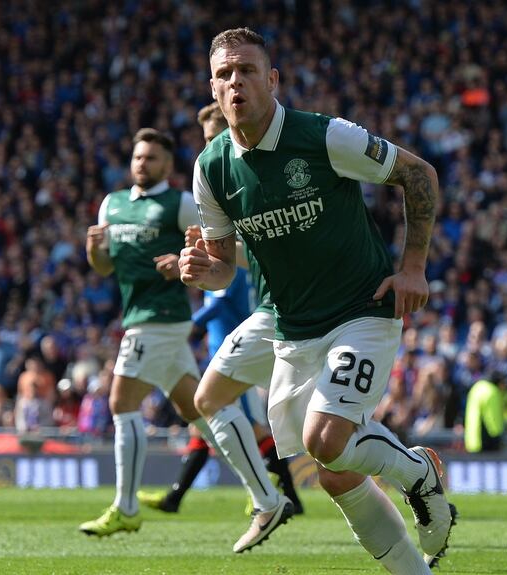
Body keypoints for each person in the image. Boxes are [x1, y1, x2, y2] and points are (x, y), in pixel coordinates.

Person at [179, 28, 454, 572]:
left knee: (326, 439)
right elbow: (221, 269)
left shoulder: (325, 137)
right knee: (335, 472)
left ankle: (420, 473)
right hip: (291, 329)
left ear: (272, 79)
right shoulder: (211, 169)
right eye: (225, 75)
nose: (237, 83)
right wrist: (202, 271)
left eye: (248, 71)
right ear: (213, 89)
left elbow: (418, 174)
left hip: (363, 310)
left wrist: (414, 268)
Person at [79, 127, 289, 549]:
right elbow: (103, 268)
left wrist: (183, 263)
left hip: (162, 317)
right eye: (138, 157)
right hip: (139, 315)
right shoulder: (112, 204)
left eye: (152, 158)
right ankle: (261, 481)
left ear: (166, 166)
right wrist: (94, 250)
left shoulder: (179, 203)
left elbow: (218, 251)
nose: (143, 164)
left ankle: (126, 508)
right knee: (200, 408)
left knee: (122, 403)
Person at [137, 104, 303, 543]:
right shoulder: (216, 183)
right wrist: (201, 260)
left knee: (288, 426)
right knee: (213, 410)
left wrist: (205, 271)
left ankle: (277, 497)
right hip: (252, 329)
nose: (213, 145)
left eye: (217, 135)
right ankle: (266, 498)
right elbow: (229, 265)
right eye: (209, 137)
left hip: (269, 321)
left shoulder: (249, 180)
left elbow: (232, 279)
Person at [464, 372, 507, 453]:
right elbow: (493, 419)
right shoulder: (492, 390)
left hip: (472, 439)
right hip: (486, 442)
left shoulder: (476, 387)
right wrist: (497, 438)